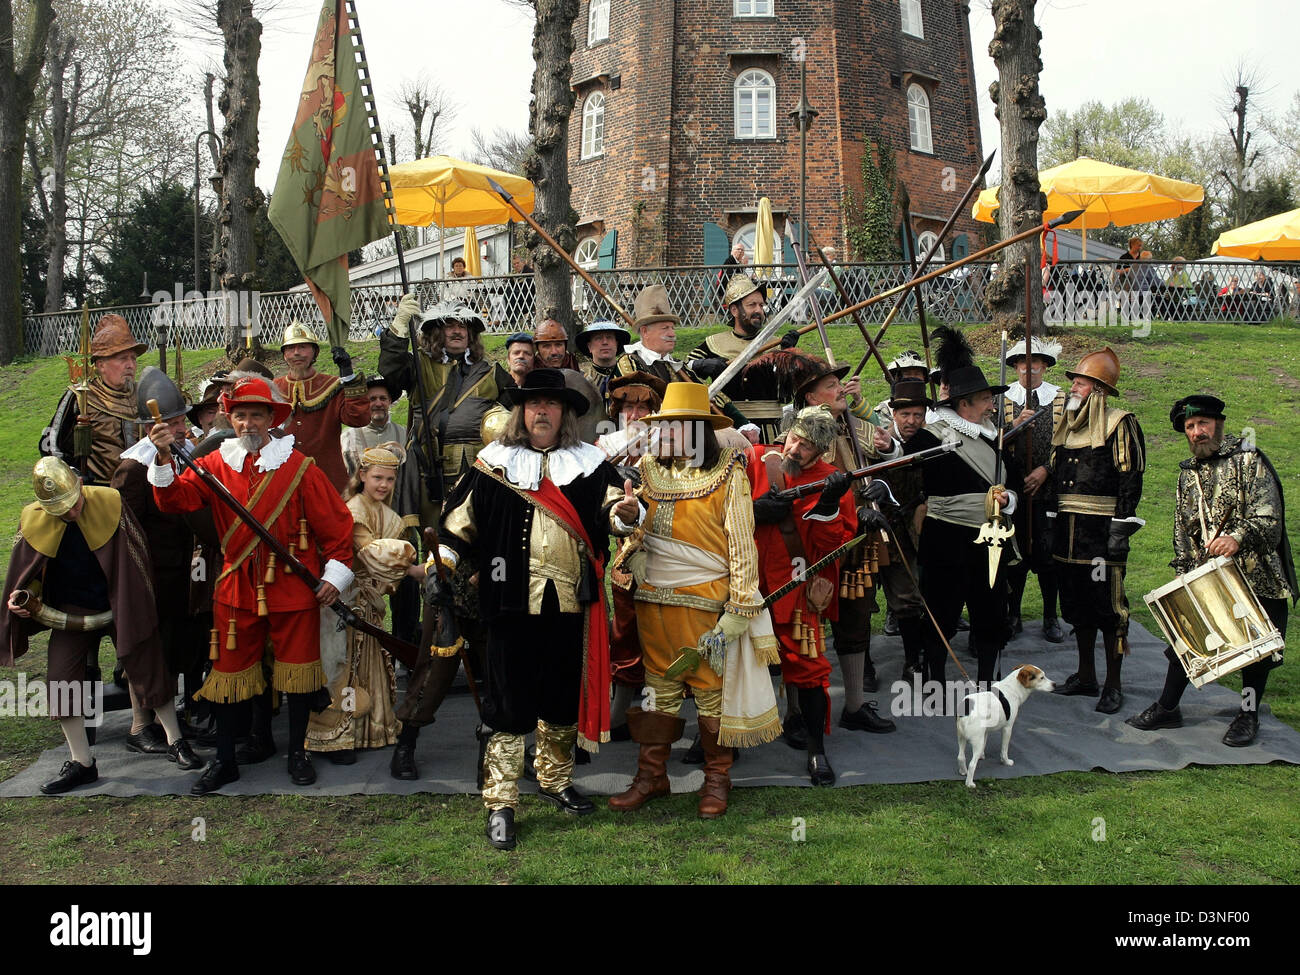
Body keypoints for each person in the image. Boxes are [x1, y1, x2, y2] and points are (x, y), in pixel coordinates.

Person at [436, 368, 641, 849]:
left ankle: (554, 779)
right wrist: (438, 568)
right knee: (507, 704)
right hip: (508, 604)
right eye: (533, 404)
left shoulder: (589, 464)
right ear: (521, 413)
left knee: (560, 696)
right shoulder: (493, 464)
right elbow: (455, 528)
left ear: (565, 414)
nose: (541, 412)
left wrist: (627, 513)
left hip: (570, 600)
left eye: (551, 404)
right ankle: (501, 801)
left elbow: (615, 510)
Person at [148, 377, 355, 794]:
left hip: (293, 588)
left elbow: (337, 529)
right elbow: (174, 501)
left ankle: (297, 753)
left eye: (255, 415)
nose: (246, 424)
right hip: (237, 587)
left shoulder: (299, 468)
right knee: (229, 674)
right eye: (239, 416)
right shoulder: (215, 465)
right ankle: (224, 760)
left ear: (270, 419)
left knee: (298, 676)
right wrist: (163, 455)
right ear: (232, 419)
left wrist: (334, 577)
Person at [609, 382, 780, 818]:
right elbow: (634, 529)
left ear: (696, 429)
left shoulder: (728, 473)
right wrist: (625, 519)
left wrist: (741, 607)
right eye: (661, 427)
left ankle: (716, 780)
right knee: (658, 692)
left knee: (710, 697)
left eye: (671, 427)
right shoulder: (646, 470)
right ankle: (652, 777)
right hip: (653, 601)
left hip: (706, 603)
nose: (662, 434)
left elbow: (743, 544)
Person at [1, 458, 195, 793]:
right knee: (61, 680)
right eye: (61, 509)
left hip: (118, 601)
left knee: (146, 664)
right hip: (69, 611)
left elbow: (137, 557)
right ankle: (82, 762)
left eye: (74, 504)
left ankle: (175, 740)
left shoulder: (109, 503)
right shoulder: (33, 520)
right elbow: (31, 572)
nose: (72, 513)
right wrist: (25, 596)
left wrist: (130, 606)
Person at [1127, 396, 1295, 746]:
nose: (1197, 432)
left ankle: (1248, 715)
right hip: (1208, 575)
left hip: (1257, 573)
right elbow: (1182, 531)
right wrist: (1184, 572)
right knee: (1185, 641)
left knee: (1257, 654)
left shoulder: (1250, 460)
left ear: (1218, 424)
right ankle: (1168, 707)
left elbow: (1269, 519)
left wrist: (1237, 537)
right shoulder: (1188, 473)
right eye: (1190, 427)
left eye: (1202, 424)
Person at [747, 406, 858, 785]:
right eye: (794, 438)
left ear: (822, 451)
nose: (795, 449)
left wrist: (827, 506)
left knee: (809, 670)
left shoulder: (832, 481)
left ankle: (816, 750)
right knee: (727, 664)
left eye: (807, 446)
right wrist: (753, 511)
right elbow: (718, 511)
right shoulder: (756, 459)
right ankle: (717, 743)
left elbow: (835, 545)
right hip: (746, 582)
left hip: (795, 588)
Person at [905, 326, 1018, 690]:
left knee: (990, 612)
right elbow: (904, 462)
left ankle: (987, 684)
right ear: (964, 404)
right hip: (946, 537)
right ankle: (934, 682)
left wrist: (1008, 501)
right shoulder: (932, 435)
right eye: (985, 399)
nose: (992, 405)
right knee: (941, 613)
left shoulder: (994, 436)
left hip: (991, 538)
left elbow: (1007, 486)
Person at [793, 355, 899, 723]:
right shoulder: (795, 432)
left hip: (858, 542)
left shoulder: (854, 424)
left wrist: (886, 450)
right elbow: (795, 483)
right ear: (810, 397)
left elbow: (890, 451)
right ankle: (798, 713)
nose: (841, 390)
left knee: (855, 621)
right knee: (803, 625)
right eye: (831, 386)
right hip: (814, 544)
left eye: (839, 385)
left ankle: (854, 706)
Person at [111, 368, 214, 745]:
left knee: (174, 649)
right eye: (170, 423)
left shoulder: (184, 455)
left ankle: (170, 720)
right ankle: (141, 726)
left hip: (182, 574)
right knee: (149, 649)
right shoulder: (133, 467)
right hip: (151, 573)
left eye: (178, 420)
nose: (180, 427)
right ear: (149, 427)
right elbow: (125, 529)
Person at [307, 446, 422, 762]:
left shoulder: (390, 516)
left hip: (369, 603)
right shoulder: (353, 511)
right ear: (362, 477)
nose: (383, 485)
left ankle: (369, 730)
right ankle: (336, 736)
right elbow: (371, 553)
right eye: (377, 478)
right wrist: (412, 566)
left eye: (389, 479)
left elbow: (384, 572)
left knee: (366, 665)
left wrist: (387, 583)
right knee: (343, 670)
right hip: (344, 601)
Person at [1046, 348, 1145, 714]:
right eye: (1073, 379)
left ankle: (1113, 684)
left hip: (1101, 534)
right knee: (1076, 606)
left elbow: (1131, 478)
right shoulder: (1068, 426)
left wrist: (1120, 531)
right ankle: (1085, 675)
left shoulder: (1120, 423)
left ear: (1099, 389)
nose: (1073, 385)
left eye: (1080, 381)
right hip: (1067, 533)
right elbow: (1055, 476)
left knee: (1109, 611)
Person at [380, 298, 512, 527]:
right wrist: (399, 326)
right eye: (450, 325)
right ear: (437, 332)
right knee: (435, 534)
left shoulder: (491, 371)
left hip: (479, 468)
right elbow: (390, 369)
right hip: (429, 469)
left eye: (463, 326)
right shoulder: (419, 365)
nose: (457, 331)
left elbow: (516, 412)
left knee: (481, 531)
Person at [596, 372, 668, 738]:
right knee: (625, 633)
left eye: (644, 406)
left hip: (673, 551)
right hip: (628, 553)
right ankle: (621, 714)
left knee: (668, 638)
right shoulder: (604, 446)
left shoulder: (674, 443)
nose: (637, 413)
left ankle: (663, 715)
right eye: (629, 406)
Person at [339, 375, 420, 647]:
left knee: (406, 591)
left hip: (398, 519)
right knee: (361, 589)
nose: (377, 404)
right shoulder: (349, 436)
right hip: (363, 521)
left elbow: (410, 479)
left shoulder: (403, 432)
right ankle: (362, 650)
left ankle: (404, 645)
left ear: (390, 402)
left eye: (382, 398)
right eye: (371, 399)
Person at [616, 284, 757, 439]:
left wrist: (744, 424)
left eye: (672, 328)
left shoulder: (676, 365)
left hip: (682, 438)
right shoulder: (629, 363)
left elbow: (711, 393)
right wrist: (692, 403)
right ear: (645, 331)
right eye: (665, 328)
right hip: (642, 439)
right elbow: (644, 400)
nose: (671, 334)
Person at [1001, 336, 1067, 644]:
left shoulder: (1061, 399)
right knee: (1015, 553)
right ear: (1016, 366)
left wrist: (1046, 470)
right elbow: (994, 441)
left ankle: (1050, 616)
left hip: (1049, 488)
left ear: (1044, 366)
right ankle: (1013, 613)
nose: (1029, 370)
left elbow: (1067, 443)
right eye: (1024, 364)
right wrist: (1014, 426)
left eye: (1035, 363)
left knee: (1048, 553)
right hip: (1014, 489)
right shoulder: (1002, 400)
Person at [874, 380, 934, 676]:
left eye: (918, 415)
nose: (912, 421)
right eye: (905, 414)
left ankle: (913, 661)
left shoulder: (928, 440)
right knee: (858, 599)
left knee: (908, 597)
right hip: (868, 529)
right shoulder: (874, 440)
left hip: (906, 531)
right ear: (893, 413)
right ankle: (865, 670)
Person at [43, 314, 146, 485]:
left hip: (141, 489)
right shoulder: (82, 396)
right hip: (99, 491)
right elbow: (50, 445)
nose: (131, 365)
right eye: (123, 359)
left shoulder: (143, 393)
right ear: (101, 365)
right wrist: (72, 476)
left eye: (133, 358)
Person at [689, 272, 793, 440]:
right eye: (752, 305)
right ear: (734, 310)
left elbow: (788, 394)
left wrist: (788, 356)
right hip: (730, 428)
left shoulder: (776, 345)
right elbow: (683, 371)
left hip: (769, 430)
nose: (759, 310)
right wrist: (701, 364)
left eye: (761, 305)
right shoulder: (714, 343)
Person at [273, 321, 370, 494]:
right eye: (290, 348)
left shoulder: (332, 385)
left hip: (328, 480)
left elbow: (358, 418)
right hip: (283, 480)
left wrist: (347, 374)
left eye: (303, 347)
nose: (296, 353)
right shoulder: (273, 388)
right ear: (284, 354)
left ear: (315, 352)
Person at [576, 320, 630, 404]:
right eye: (598, 338)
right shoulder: (581, 379)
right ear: (589, 346)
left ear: (617, 344)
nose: (605, 342)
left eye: (609, 337)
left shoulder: (628, 375)